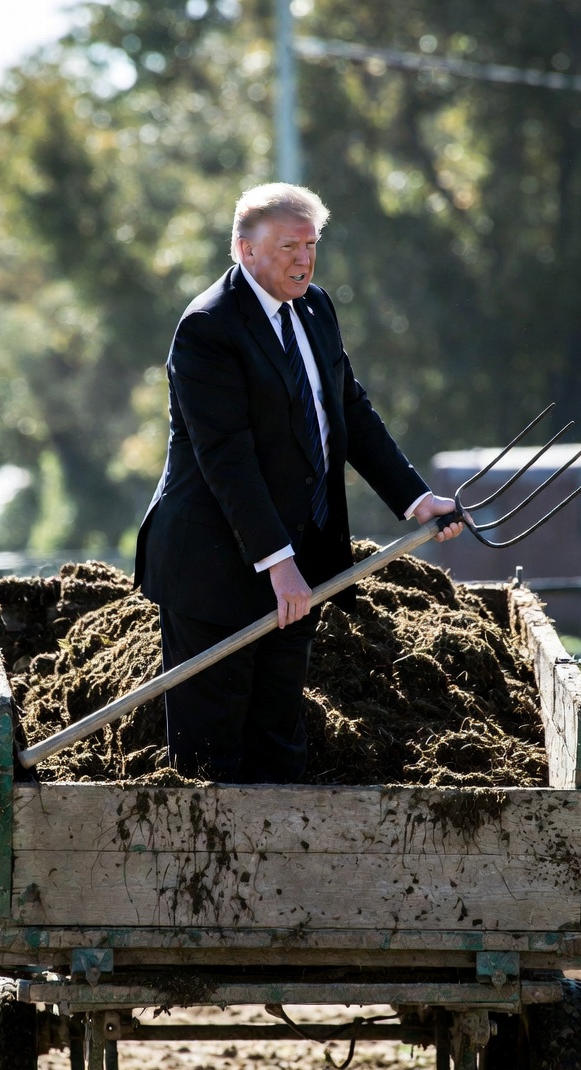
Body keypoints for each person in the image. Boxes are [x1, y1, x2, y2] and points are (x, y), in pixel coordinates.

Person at [134, 182, 463, 784]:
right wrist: (278, 562)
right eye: (288, 246)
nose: (303, 260)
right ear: (245, 249)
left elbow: (349, 410)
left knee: (279, 744)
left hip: (298, 564)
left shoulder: (316, 309)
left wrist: (417, 499)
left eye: (311, 245)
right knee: (211, 761)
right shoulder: (209, 327)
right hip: (213, 567)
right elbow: (227, 458)